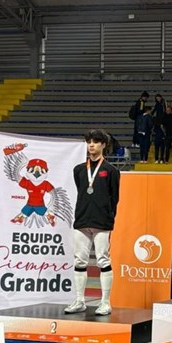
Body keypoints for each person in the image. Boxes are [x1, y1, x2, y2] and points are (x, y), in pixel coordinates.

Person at [65, 129, 120, 316]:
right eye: (89, 142)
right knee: (79, 261)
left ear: (103, 145)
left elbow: (115, 198)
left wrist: (108, 217)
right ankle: (80, 301)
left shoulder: (111, 171)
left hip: (102, 221)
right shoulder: (79, 170)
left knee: (103, 260)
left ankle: (105, 303)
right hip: (81, 219)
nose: (91, 145)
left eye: (95, 142)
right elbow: (82, 191)